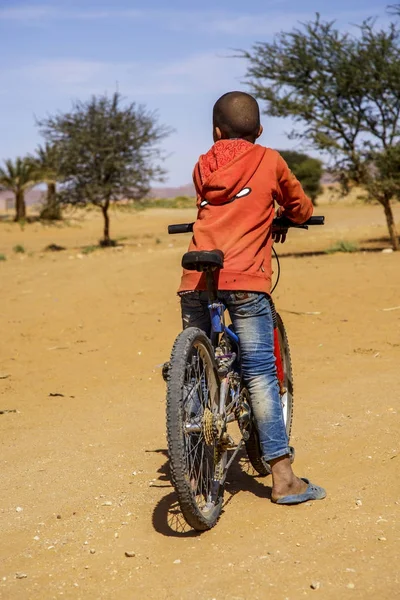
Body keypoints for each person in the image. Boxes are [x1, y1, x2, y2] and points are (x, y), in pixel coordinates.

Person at [177, 91, 326, 505]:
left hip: (197, 275)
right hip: (245, 278)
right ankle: (283, 478)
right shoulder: (269, 159)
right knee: (261, 372)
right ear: (259, 131)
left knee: (195, 370)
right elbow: (298, 206)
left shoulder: (203, 164)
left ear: (215, 131)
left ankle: (190, 456)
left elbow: (217, 206)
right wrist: (283, 218)